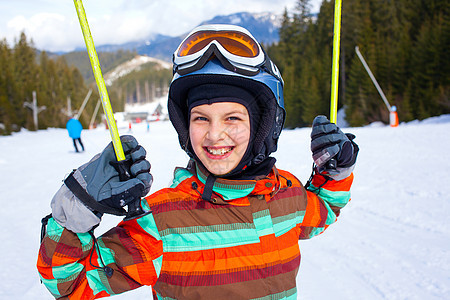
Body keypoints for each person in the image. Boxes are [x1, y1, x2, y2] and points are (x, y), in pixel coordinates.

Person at [38, 24, 359, 299]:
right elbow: (68, 285)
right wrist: (77, 208)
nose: (214, 134)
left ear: (264, 126)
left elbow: (324, 210)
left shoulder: (287, 196)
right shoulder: (162, 222)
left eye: (232, 118)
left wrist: (335, 170)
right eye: (201, 118)